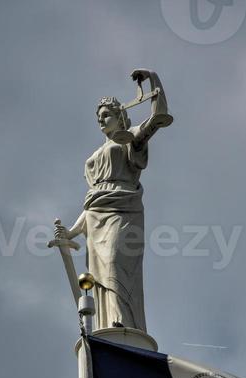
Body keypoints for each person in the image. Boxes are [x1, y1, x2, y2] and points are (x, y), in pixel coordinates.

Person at [55, 70, 172, 333]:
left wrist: (153, 79)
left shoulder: (130, 138)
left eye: (106, 115)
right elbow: (93, 204)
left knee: (116, 265)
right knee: (98, 276)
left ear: (120, 116)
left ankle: (126, 324)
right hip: (96, 217)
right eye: (98, 118)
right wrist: (71, 232)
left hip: (124, 210)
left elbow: (158, 116)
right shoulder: (95, 155)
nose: (101, 121)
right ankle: (108, 324)